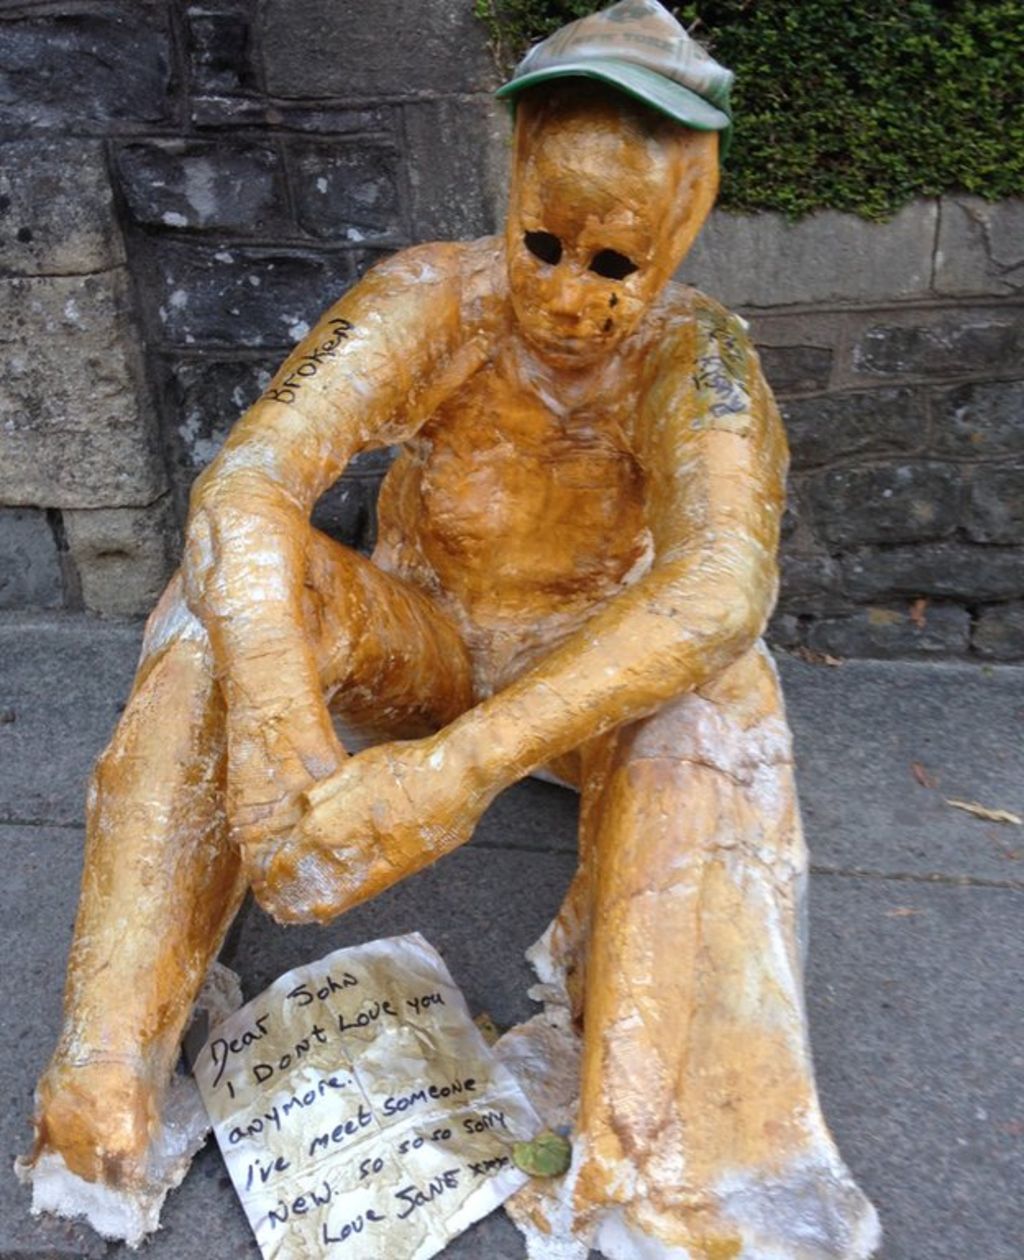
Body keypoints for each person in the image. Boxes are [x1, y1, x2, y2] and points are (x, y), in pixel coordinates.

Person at [25, 2, 879, 1254]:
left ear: (680, 232)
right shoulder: (431, 294)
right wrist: (280, 737)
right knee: (215, 607)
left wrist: (462, 767)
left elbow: (718, 588)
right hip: (427, 632)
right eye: (543, 244)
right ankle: (109, 1058)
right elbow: (248, 484)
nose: (569, 299)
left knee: (717, 694)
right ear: (512, 186)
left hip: (581, 667)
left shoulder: (695, 362)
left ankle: (656, 1143)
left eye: (614, 266)